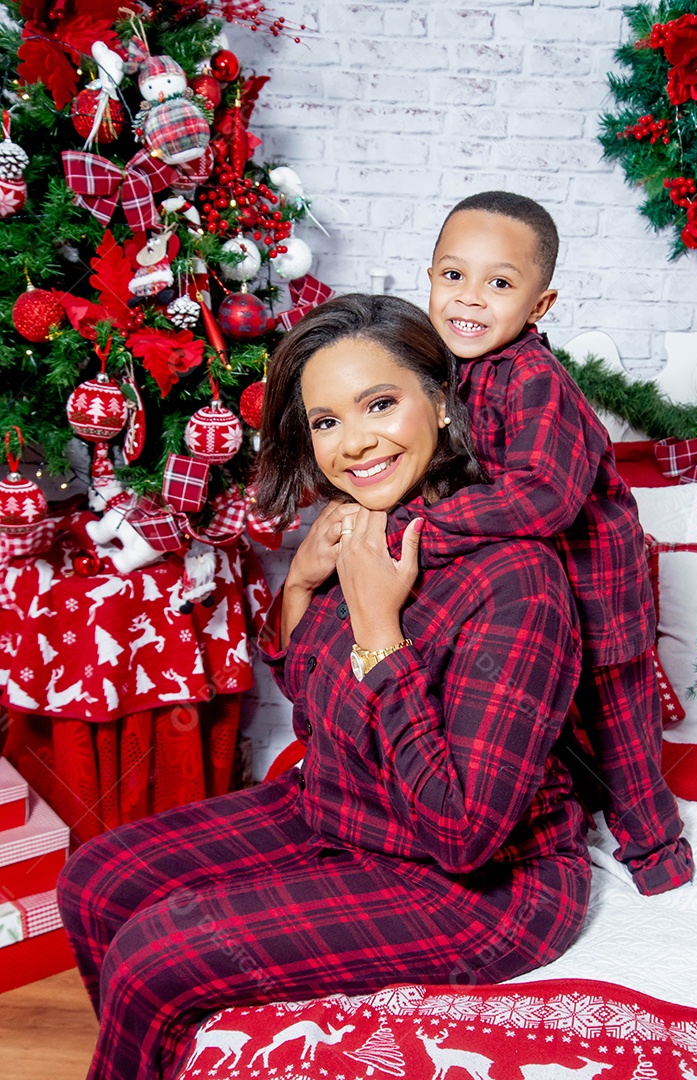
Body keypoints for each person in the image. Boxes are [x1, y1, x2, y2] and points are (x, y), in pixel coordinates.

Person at [58, 294, 591, 1080]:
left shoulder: (515, 577)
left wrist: (380, 634)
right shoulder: (368, 525)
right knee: (96, 881)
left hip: (482, 889)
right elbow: (316, 707)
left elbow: (463, 836)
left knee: (155, 953)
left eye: (380, 403)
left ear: (440, 403)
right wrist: (302, 586)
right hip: (344, 806)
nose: (355, 442)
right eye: (326, 421)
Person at [424, 190, 693, 895]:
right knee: (536, 720)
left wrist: (427, 527)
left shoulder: (534, 380)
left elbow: (544, 494)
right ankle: (572, 807)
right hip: (526, 600)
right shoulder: (448, 371)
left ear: (538, 306)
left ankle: (657, 854)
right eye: (453, 276)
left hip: (594, 589)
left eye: (499, 283)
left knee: (620, 729)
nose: (469, 299)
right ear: (428, 278)